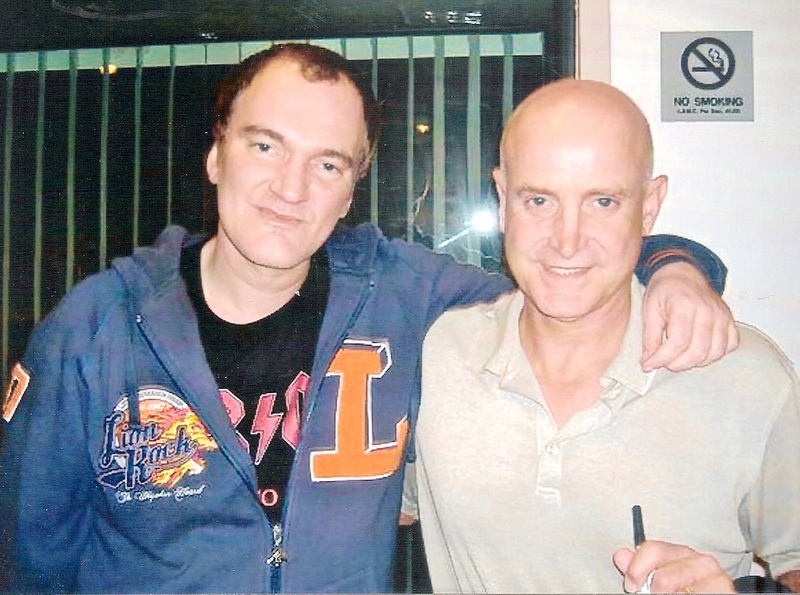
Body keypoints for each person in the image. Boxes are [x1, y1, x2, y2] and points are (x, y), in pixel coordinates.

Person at [0, 44, 736, 594]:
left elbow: (564, 272)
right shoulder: (94, 329)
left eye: (327, 164)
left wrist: (675, 266)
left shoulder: (403, 296)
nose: (290, 188)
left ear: (352, 189)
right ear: (217, 154)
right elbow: (28, 562)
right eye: (265, 146)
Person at [404, 78, 800, 593]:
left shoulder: (747, 375)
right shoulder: (439, 351)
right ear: (502, 199)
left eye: (604, 202)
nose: (566, 241)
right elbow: (364, 511)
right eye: (539, 200)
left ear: (650, 206)